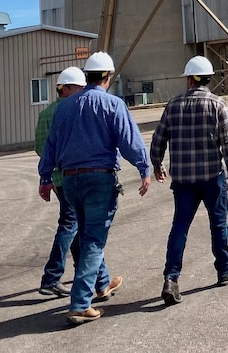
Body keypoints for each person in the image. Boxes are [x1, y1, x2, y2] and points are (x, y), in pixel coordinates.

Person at [38, 51, 151, 326]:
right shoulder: (112, 104)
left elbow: (50, 146)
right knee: (93, 241)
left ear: (87, 76)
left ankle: (102, 284)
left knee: (87, 234)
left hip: (71, 181)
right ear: (108, 77)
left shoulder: (64, 108)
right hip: (99, 180)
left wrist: (44, 178)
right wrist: (144, 167)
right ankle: (79, 304)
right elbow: (128, 140)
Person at [150, 56, 228, 307]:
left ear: (190, 79)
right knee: (218, 224)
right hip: (212, 177)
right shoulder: (217, 104)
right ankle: (224, 271)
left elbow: (158, 140)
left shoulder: (173, 105)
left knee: (180, 227)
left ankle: (171, 278)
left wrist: (157, 165)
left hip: (183, 181)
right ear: (208, 79)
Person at [34, 67, 89, 297]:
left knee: (74, 222)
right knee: (71, 223)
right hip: (71, 176)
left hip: (57, 178)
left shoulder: (46, 114)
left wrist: (50, 173)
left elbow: (39, 147)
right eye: (78, 88)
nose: (81, 92)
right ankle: (52, 277)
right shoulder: (72, 111)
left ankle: (80, 271)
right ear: (64, 88)